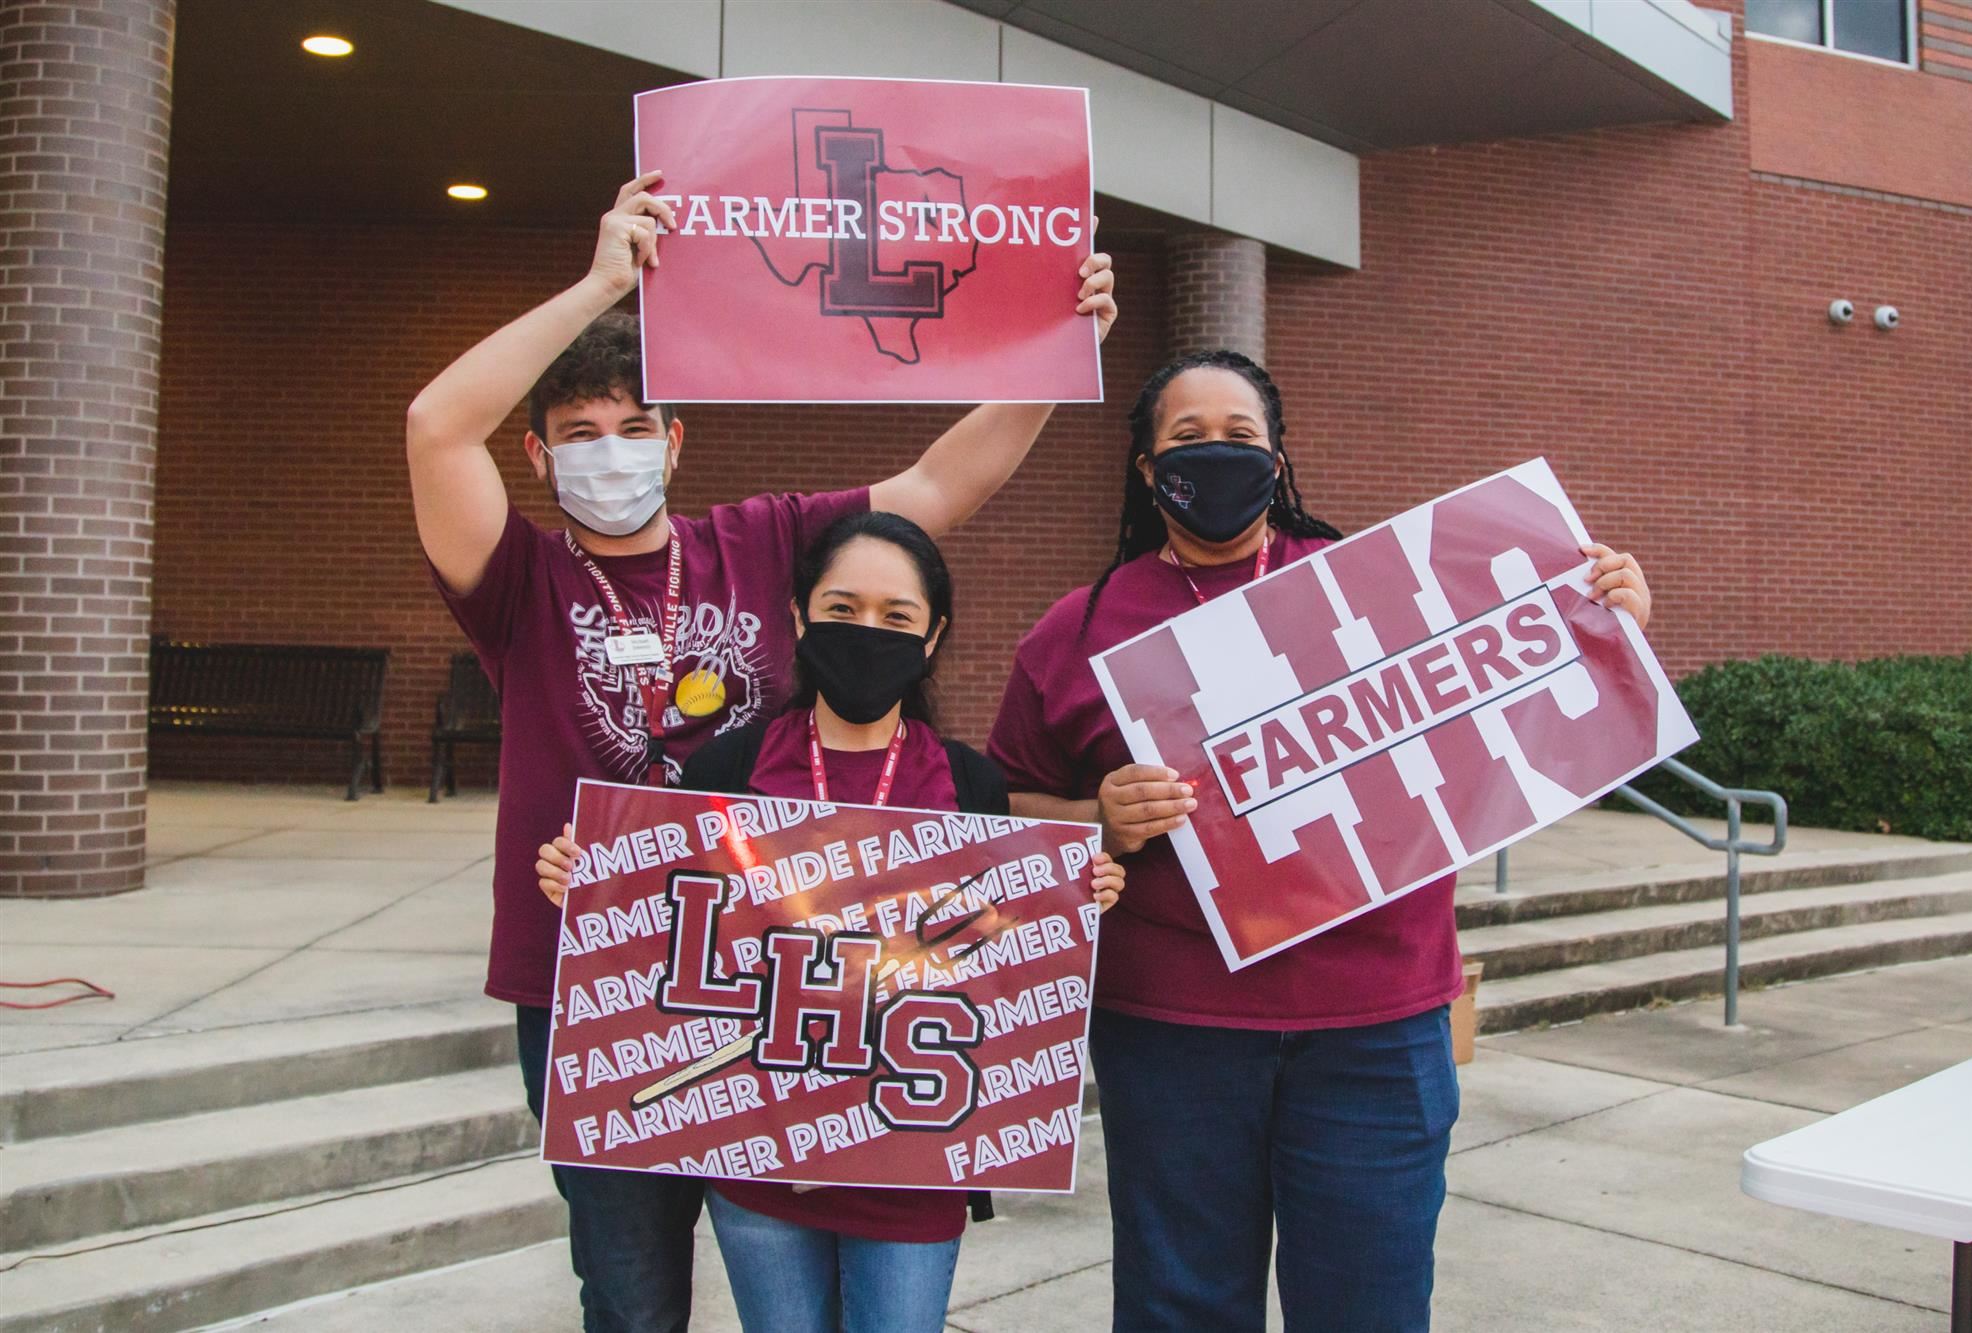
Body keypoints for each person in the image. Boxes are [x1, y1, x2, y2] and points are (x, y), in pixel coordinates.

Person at [406, 173, 1115, 1333]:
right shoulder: (519, 581)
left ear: (675, 439)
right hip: (593, 979)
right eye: (577, 435)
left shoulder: (763, 539)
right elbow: (435, 426)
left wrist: (1054, 342)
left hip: (783, 974)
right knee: (632, 1292)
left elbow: (940, 485)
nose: (608, 452)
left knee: (789, 1262)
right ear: (534, 457)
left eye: (633, 428)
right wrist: (598, 284)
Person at [987, 348, 1653, 1332]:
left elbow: (1530, 710)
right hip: (1175, 1035)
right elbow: (998, 806)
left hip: (1375, 1027)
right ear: (1141, 468)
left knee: (1367, 1306)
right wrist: (1097, 818)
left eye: (1239, 438)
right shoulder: (1074, 631)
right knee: (1178, 1309)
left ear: (1277, 457)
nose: (1214, 457)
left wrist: (1608, 629)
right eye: (1185, 439)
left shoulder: (1381, 590)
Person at [534, 511, 1126, 1333]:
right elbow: (670, 932)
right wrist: (591, 885)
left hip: (914, 1163)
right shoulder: (727, 768)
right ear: (799, 615)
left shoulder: (971, 784)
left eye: (897, 617)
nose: (867, 632)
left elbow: (998, 966)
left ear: (933, 635)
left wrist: (1070, 898)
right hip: (761, 1161)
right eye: (842, 609)